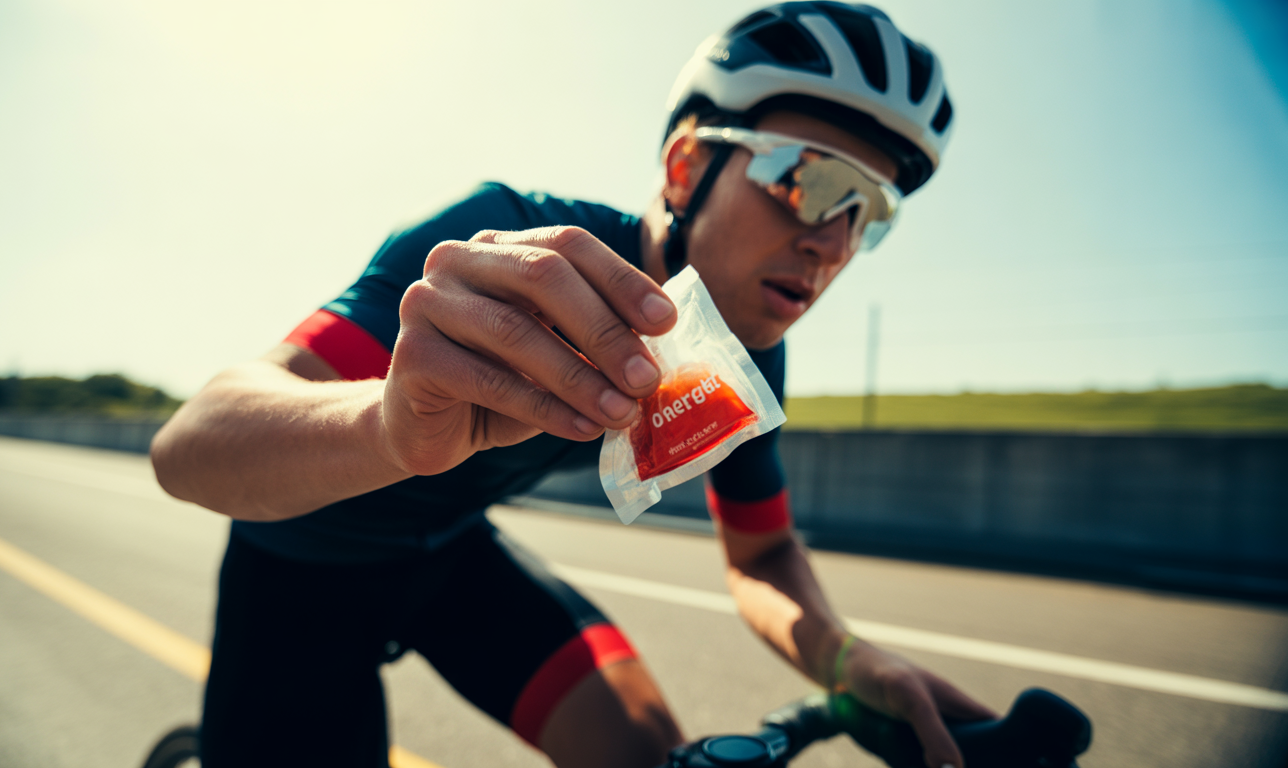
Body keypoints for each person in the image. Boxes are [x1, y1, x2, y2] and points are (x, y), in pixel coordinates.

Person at [151, 3, 996, 767]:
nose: (834, 244)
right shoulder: (510, 250)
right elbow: (186, 446)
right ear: (685, 166)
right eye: (812, 182)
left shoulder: (742, 350)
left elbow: (764, 553)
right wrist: (387, 429)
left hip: (449, 553)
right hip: (299, 561)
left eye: (870, 212)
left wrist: (850, 660)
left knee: (648, 759)